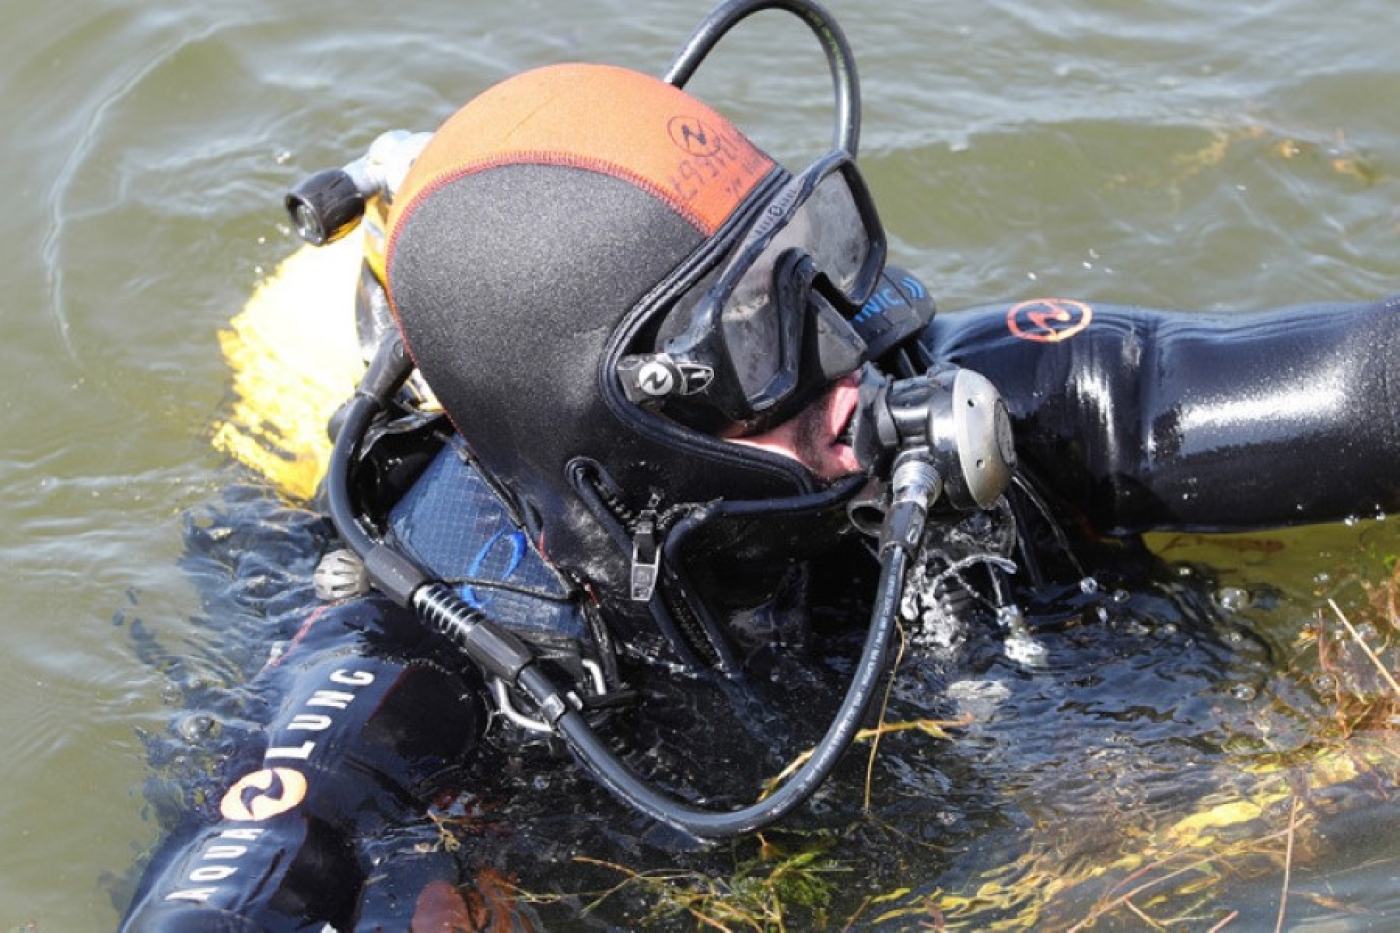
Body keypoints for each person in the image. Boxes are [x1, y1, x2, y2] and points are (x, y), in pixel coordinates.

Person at [120, 2, 1400, 929]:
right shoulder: (416, 662)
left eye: (808, 267)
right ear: (614, 438)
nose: (847, 364)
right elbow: (260, 866)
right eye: (748, 340)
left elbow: (1356, 389)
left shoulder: (950, 396)